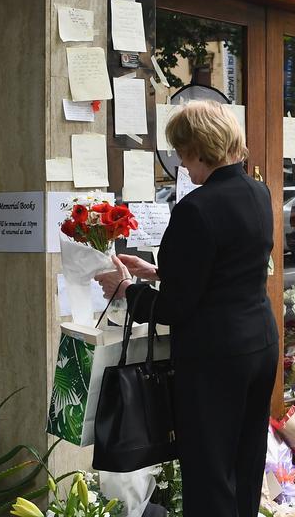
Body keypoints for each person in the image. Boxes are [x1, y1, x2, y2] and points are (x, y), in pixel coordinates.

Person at [94, 101, 278, 517]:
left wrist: (125, 288)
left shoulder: (196, 207)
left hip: (215, 357)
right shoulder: (257, 192)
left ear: (199, 148)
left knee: (209, 469)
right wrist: (159, 271)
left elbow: (177, 306)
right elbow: (226, 268)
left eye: (181, 152)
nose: (181, 162)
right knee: (245, 463)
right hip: (259, 345)